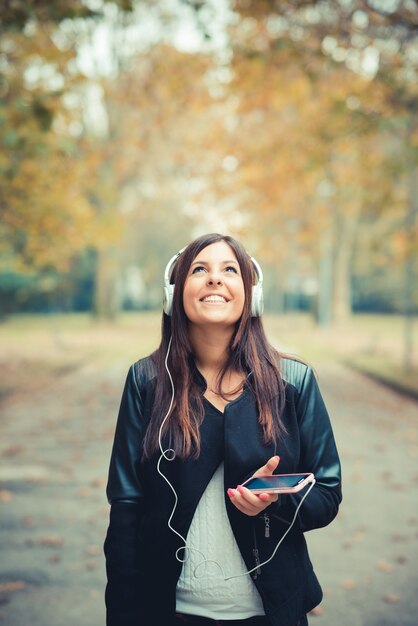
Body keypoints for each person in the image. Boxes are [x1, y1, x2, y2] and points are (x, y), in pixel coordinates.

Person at [104, 233, 342, 626]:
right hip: (169, 612)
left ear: (251, 295)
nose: (215, 279)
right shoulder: (145, 380)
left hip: (270, 613)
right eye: (199, 269)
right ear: (174, 293)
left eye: (230, 269)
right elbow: (126, 506)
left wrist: (275, 501)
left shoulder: (295, 381)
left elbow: (328, 494)